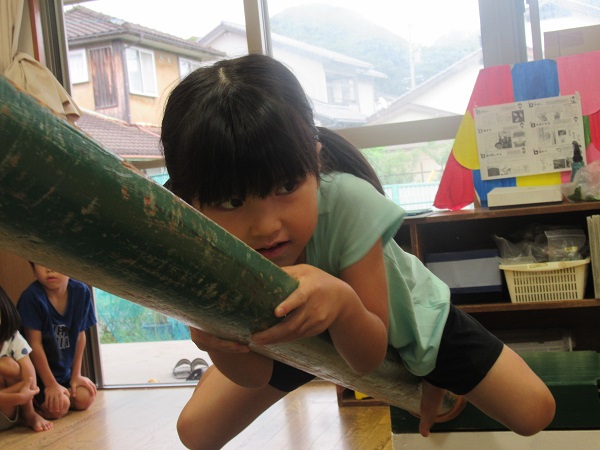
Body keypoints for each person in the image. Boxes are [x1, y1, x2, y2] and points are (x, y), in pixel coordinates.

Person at [161, 54, 555, 449]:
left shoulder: (349, 202)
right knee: (196, 433)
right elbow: (253, 376)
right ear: (191, 201)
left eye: (285, 187)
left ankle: (433, 376)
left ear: (315, 162)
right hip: (292, 336)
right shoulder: (202, 237)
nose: (266, 227)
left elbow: (368, 359)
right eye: (231, 201)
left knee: (534, 411)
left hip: (396, 323)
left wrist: (343, 305)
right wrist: (216, 342)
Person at [18, 263, 97, 420]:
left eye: (55, 263)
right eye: (41, 264)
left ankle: (63, 392)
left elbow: (80, 334)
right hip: (39, 378)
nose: (49, 269)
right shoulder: (31, 297)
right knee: (59, 408)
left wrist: (76, 375)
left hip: (64, 373)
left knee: (84, 398)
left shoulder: (81, 292)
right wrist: (50, 384)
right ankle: (35, 404)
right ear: (33, 269)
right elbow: (34, 345)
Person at [0, 286, 52, 432]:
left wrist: (26, 394)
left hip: (5, 412)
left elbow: (29, 376)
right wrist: (18, 396)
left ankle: (29, 414)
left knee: (11, 366)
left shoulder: (12, 338)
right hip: (10, 399)